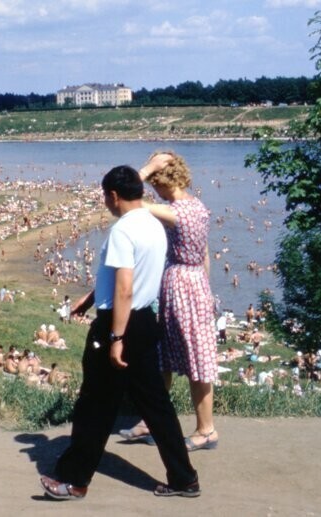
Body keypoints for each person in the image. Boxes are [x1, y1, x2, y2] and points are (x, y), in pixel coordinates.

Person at [39, 165, 199, 501]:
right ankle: (184, 479)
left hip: (120, 324)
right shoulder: (154, 225)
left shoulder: (122, 231)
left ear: (113, 195)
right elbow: (130, 279)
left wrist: (116, 338)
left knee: (94, 405)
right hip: (145, 321)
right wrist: (92, 297)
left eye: (105, 196)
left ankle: (75, 479)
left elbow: (125, 287)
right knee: (157, 406)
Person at [120, 151, 219, 452]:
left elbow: (127, 197)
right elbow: (204, 254)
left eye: (155, 186)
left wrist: (146, 168)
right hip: (193, 283)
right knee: (164, 355)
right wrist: (204, 290)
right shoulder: (198, 208)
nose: (153, 192)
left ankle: (206, 430)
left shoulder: (176, 212)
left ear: (162, 183)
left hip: (181, 284)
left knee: (195, 359)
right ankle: (152, 419)